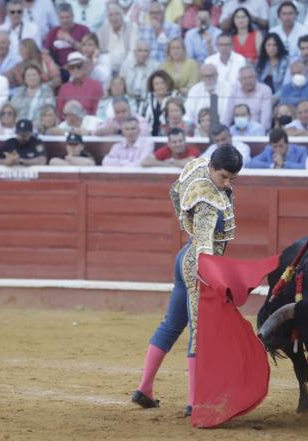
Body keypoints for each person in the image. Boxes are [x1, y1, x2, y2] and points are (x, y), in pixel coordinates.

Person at [132, 145, 243, 416]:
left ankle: (144, 389)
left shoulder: (198, 164)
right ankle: (195, 402)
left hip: (184, 257)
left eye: (232, 179)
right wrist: (209, 275)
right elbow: (205, 246)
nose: (227, 184)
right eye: (224, 177)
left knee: (171, 325)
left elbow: (174, 190)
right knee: (199, 333)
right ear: (214, 168)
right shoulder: (208, 201)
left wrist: (187, 225)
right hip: (199, 266)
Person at [222, 65, 273, 131]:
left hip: (257, 131)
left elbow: (266, 118)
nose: (248, 81)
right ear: (240, 80)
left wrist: (261, 133)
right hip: (237, 130)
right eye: (244, 78)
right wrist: (223, 130)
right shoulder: (235, 90)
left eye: (250, 77)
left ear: (256, 78)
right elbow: (228, 115)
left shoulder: (265, 90)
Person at [43, 3, 90, 71]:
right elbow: (45, 52)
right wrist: (52, 64)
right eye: (62, 18)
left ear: (73, 16)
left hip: (79, 68)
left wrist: (71, 41)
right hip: (60, 70)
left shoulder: (83, 30)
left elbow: (89, 51)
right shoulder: (53, 32)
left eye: (67, 17)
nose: (64, 21)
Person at [56, 51, 104, 118]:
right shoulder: (64, 88)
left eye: (79, 66)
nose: (75, 69)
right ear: (69, 70)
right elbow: (60, 113)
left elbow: (98, 111)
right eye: (72, 67)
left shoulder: (96, 85)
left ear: (84, 67)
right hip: (69, 125)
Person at [119, 41, 161, 105]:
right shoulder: (126, 65)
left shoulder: (156, 67)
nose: (143, 53)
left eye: (146, 51)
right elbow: (120, 84)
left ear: (150, 53)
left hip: (148, 101)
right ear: (134, 52)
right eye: (140, 50)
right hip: (128, 99)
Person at [98, 3, 136, 73]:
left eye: (117, 14)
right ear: (107, 18)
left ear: (122, 15)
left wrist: (124, 68)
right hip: (108, 67)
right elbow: (99, 51)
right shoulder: (102, 30)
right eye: (111, 15)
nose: (114, 18)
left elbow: (132, 51)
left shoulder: (132, 27)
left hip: (127, 66)